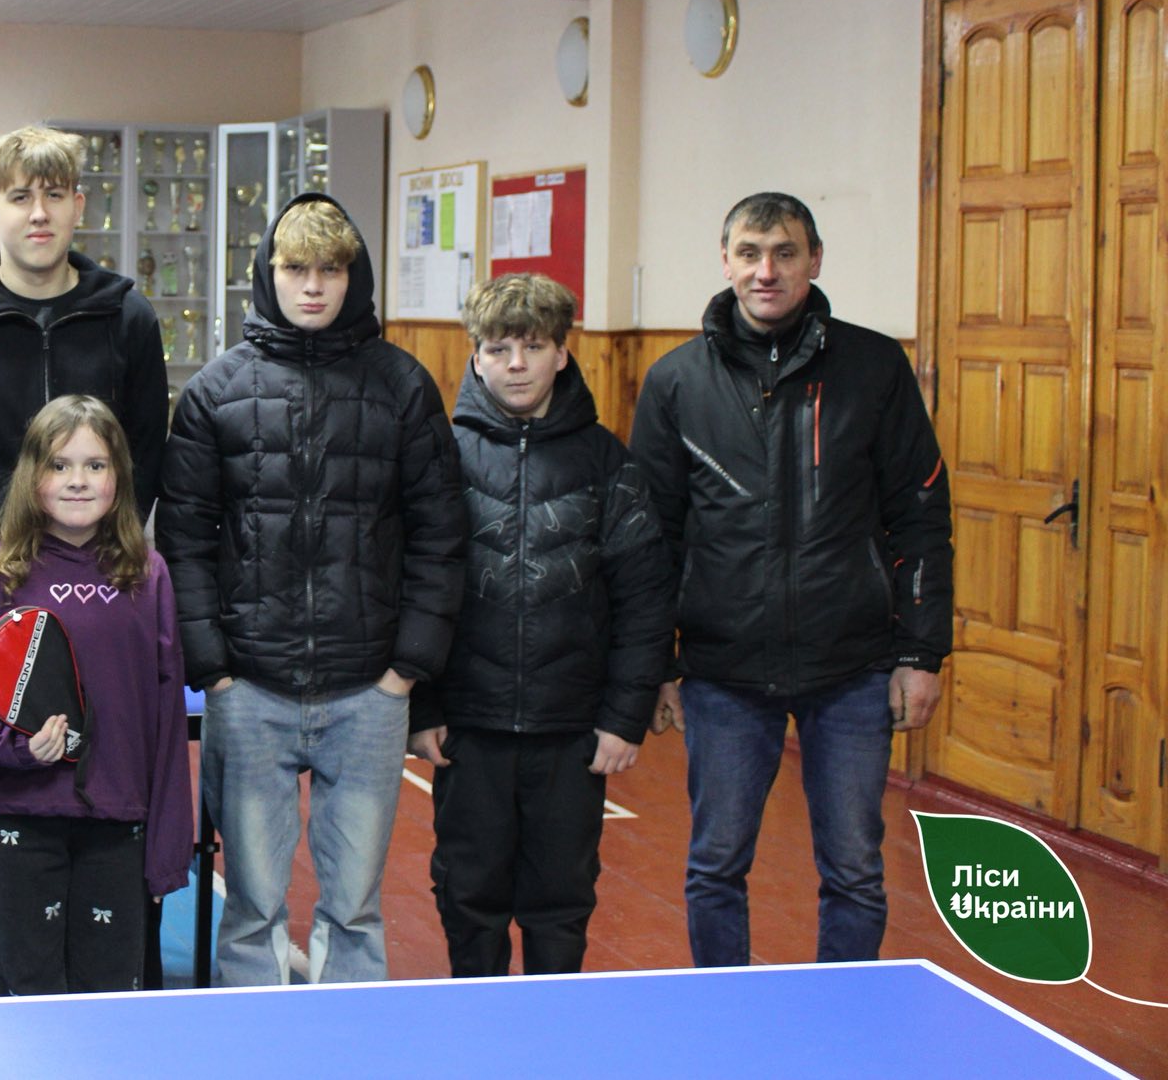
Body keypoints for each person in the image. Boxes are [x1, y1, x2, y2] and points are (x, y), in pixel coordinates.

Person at [630, 191, 953, 966]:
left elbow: (920, 516)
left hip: (852, 667)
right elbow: (650, 540)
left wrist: (921, 653)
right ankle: (728, 1020)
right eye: (749, 253)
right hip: (722, 669)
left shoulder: (874, 368)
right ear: (726, 261)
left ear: (815, 260)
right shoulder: (675, 381)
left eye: (784, 253)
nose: (766, 271)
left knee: (855, 873)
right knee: (715, 868)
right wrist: (656, 664)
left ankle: (842, 1022)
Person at [158, 193, 464, 986]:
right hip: (249, 689)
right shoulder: (216, 391)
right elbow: (184, 540)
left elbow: (440, 534)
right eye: (297, 269)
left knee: (355, 908)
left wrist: (406, 671)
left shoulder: (404, 386)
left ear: (353, 277)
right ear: (270, 274)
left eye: (330, 269)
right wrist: (214, 671)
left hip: (369, 690)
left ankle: (348, 1043)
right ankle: (250, 1045)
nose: (314, 286)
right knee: (251, 907)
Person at [0, 124, 168, 994]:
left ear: (79, 205)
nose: (39, 212)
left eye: (55, 194)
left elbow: (145, 461)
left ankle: (108, 1008)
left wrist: (100, 576)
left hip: (98, 620)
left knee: (107, 825)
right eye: (20, 196)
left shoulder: (127, 319)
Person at [406, 273, 673, 977]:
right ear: (476, 356)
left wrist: (624, 717)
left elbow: (644, 597)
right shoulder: (441, 455)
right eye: (499, 348)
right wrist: (422, 707)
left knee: (561, 898)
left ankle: (556, 1025)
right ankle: (477, 1023)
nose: (516, 364)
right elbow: (413, 586)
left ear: (563, 352)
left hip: (572, 731)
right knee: (468, 893)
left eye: (533, 346)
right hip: (468, 728)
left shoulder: (607, 461)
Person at [0, 395, 192, 995]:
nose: (78, 480)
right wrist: (10, 747)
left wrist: (167, 847)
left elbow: (167, 710)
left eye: (95, 465)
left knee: (109, 997)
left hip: (118, 822)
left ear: (119, 477)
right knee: (24, 995)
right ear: (33, 476)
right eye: (60, 465)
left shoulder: (147, 575)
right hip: (20, 819)